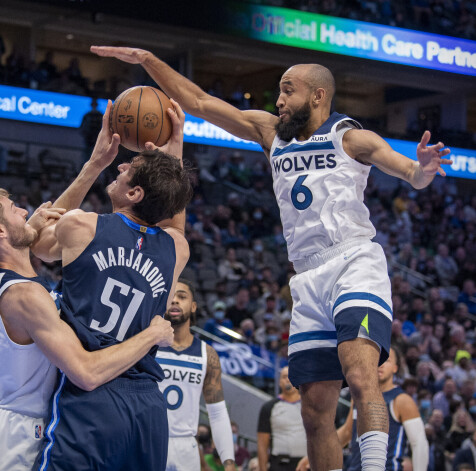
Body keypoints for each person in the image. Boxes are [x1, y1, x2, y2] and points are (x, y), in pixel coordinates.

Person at [92, 45, 452, 471]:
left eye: (288, 91)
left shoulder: (349, 137)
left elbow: (408, 172)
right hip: (306, 277)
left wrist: (421, 170)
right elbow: (199, 102)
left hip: (355, 262)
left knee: (360, 377)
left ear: (318, 96)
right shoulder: (270, 133)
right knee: (314, 408)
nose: (278, 100)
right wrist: (148, 60)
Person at [27, 95, 191, 470]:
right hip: (149, 405)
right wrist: (173, 151)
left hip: (93, 394)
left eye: (124, 171)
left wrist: (93, 164)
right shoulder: (176, 250)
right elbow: (174, 219)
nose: (116, 168)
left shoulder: (82, 226)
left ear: (134, 194)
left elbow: (39, 244)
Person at [0, 192, 175, 467]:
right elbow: (87, 373)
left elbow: (49, 227)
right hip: (27, 429)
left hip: (13, 418)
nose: (25, 211)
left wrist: (94, 165)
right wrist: (153, 335)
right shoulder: (26, 297)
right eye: (14, 209)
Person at [301, 346, 429, 471]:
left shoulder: (401, 400)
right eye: (377, 359)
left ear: (395, 368)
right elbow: (346, 432)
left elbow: (419, 443)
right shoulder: (358, 397)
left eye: (387, 360)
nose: (381, 364)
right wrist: (314, 455)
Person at [156, 279, 236, 471]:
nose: (175, 301)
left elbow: (216, 413)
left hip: (187, 446)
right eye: (170, 297)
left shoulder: (207, 354)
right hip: (149, 441)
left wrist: (229, 461)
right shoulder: (148, 346)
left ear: (193, 307)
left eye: (182, 296)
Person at [257, 366, 306, 471]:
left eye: (291, 376)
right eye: (284, 377)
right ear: (279, 382)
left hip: (305, 464)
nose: (288, 379)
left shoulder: (309, 406)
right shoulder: (269, 407)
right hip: (279, 464)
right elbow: (262, 444)